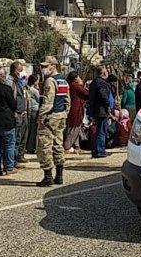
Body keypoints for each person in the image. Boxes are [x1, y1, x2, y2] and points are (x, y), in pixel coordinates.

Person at [36, 57, 69, 187]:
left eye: (46, 66)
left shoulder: (50, 81)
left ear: (54, 66)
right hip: (60, 115)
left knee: (44, 145)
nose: (43, 68)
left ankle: (48, 176)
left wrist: (41, 116)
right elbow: (67, 100)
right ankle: (59, 175)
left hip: (50, 116)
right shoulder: (63, 81)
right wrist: (65, 112)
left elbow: (48, 102)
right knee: (58, 144)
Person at [89, 64, 113, 158]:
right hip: (101, 110)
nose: (107, 72)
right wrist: (107, 105)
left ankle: (96, 149)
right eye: (106, 70)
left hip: (96, 109)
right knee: (101, 131)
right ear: (103, 72)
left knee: (99, 130)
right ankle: (100, 151)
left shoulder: (94, 82)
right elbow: (103, 96)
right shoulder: (101, 83)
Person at [10, 61, 30, 165]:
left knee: (23, 135)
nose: (22, 73)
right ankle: (13, 159)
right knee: (16, 137)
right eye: (20, 70)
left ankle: (19, 155)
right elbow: (13, 98)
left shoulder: (21, 83)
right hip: (16, 113)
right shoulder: (11, 82)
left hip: (24, 112)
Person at [64, 71, 90, 154]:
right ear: (75, 78)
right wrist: (81, 84)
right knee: (74, 128)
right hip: (76, 109)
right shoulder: (75, 86)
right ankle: (67, 146)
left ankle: (76, 146)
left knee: (76, 128)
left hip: (74, 109)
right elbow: (86, 93)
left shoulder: (70, 85)